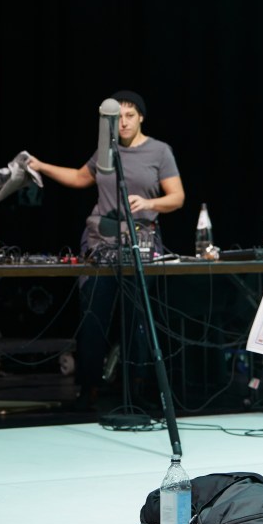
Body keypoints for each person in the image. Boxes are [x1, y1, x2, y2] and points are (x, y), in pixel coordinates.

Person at [27, 90, 184, 409]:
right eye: (117, 117)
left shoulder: (159, 151)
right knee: (94, 316)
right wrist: (40, 165)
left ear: (141, 117)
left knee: (137, 319)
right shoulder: (105, 151)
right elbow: (78, 177)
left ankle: (136, 389)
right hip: (101, 242)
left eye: (129, 115)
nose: (123, 122)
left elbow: (177, 197)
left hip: (140, 241)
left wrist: (150, 203)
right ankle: (88, 390)